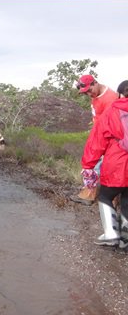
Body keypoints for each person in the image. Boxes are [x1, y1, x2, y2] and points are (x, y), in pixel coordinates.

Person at [80, 80, 128, 248]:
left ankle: (111, 235)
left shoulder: (112, 112)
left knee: (105, 196)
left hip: (117, 164)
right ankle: (126, 236)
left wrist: (88, 165)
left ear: (120, 95)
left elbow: (97, 141)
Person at [70, 75, 119, 205]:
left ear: (95, 83)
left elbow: (110, 123)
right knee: (96, 164)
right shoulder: (95, 95)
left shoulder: (110, 98)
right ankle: (95, 195)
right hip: (98, 134)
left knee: (96, 165)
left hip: (107, 137)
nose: (88, 94)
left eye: (89, 90)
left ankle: (93, 196)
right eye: (85, 92)